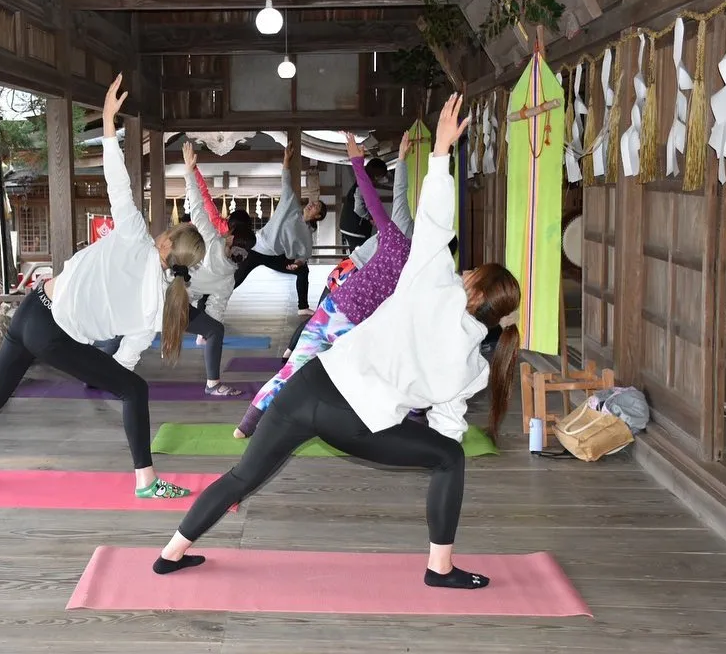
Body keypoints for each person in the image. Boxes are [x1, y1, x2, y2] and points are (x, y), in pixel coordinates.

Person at [153, 94, 521, 591]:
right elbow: (447, 425)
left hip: (309, 385)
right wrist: (438, 457)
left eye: (472, 271)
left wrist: (440, 156)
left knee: (243, 475)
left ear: (475, 288)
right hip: (355, 423)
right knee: (450, 457)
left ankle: (171, 553)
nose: (465, 269)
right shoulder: (477, 365)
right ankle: (440, 569)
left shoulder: (433, 282)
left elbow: (434, 223)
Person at [0, 74, 207, 499]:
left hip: (31, 312)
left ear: (167, 241)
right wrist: (110, 378)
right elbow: (128, 358)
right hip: (55, 336)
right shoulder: (159, 305)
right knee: (134, 390)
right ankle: (146, 482)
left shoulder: (134, 233)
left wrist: (110, 124)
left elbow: (117, 181)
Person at [234, 131, 413, 438]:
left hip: (335, 308)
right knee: (358, 375)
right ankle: (366, 423)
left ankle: (248, 422)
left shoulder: (396, 239)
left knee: (295, 369)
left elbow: (382, 198)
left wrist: (364, 161)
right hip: (355, 325)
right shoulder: (416, 272)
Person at [97, 142, 255, 396]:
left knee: (126, 331)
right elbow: (214, 317)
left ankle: (95, 370)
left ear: (229, 237)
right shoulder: (225, 276)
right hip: (172, 304)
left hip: (162, 298)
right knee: (131, 333)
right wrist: (203, 331)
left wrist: (189, 171)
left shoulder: (211, 241)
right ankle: (212, 384)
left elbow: (197, 205)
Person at [281, 130, 418, 359]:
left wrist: (402, 158)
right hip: (356, 272)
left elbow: (399, 192)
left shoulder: (404, 225)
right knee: (327, 320)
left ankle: (290, 352)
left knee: (323, 317)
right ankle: (292, 352)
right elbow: (397, 192)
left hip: (351, 269)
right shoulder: (415, 247)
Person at [233, 146, 327, 315]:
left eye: (317, 207)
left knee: (303, 271)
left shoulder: (306, 234)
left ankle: (303, 307)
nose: (313, 204)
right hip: (257, 247)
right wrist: (286, 160)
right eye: (314, 202)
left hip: (275, 256)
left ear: (317, 216)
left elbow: (303, 256)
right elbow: (286, 182)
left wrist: (296, 264)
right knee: (235, 280)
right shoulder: (291, 205)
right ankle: (209, 303)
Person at [339, 155, 387, 252]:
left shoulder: (361, 182)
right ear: (377, 175)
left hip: (350, 228)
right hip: (355, 230)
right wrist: (369, 218)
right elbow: (358, 208)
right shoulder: (361, 186)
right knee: (360, 259)